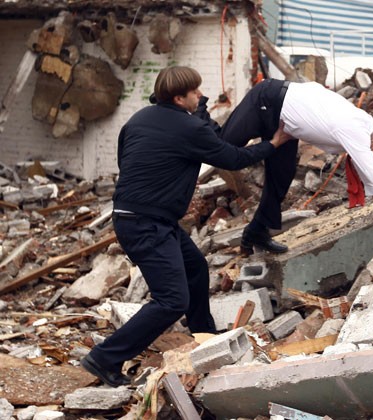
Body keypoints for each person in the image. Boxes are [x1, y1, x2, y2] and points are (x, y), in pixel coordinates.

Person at [80, 66, 291, 387]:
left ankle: (203, 333)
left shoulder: (139, 119)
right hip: (146, 223)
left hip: (136, 216)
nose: (200, 95)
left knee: (195, 267)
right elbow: (232, 158)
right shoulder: (189, 128)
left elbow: (127, 160)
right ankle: (105, 357)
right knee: (171, 300)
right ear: (179, 98)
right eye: (195, 92)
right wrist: (273, 144)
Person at [196, 78, 373, 255]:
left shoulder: (366, 127)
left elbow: (366, 166)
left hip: (283, 123)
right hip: (267, 100)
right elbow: (372, 171)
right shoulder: (354, 130)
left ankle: (256, 233)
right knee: (222, 150)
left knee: (282, 176)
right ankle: (197, 114)